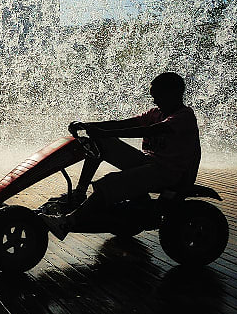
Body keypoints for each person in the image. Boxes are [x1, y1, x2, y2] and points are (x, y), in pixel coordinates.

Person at [42, 71, 201, 240]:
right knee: (100, 142)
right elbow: (123, 124)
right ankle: (80, 192)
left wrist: (103, 132)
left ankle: (66, 224)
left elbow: (148, 130)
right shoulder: (156, 113)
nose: (154, 101)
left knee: (112, 182)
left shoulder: (184, 116)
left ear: (173, 94)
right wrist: (88, 125)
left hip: (170, 173)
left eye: (158, 96)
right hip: (151, 163)